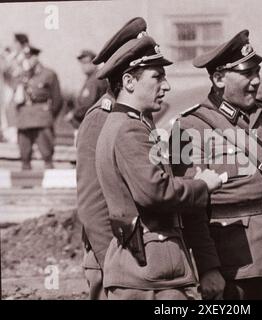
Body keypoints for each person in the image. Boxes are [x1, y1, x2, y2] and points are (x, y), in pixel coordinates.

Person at [171, 30, 262, 300]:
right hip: (237, 265)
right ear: (218, 78)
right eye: (247, 73)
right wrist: (207, 267)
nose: (256, 81)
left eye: (258, 72)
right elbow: (191, 209)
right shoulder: (187, 126)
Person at [94, 32, 224, 300]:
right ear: (128, 81)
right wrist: (202, 185)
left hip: (146, 272)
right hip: (148, 276)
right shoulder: (129, 129)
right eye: (157, 77)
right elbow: (155, 192)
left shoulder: (128, 124)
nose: (165, 86)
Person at [76, 17, 148, 300]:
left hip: (136, 253)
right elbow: (91, 200)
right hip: (111, 255)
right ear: (124, 75)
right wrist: (112, 262)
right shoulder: (100, 118)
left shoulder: (137, 116)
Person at [13, 46, 62, 170]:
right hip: (24, 119)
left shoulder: (48, 74)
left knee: (47, 153)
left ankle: (51, 181)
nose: (27, 60)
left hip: (42, 118)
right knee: (24, 154)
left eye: (30, 57)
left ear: (36, 57)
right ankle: (26, 184)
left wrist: (49, 115)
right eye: (25, 57)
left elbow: (57, 99)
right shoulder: (20, 75)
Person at [64, 50, 108, 129]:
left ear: (95, 63)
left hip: (92, 123)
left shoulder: (95, 80)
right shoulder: (92, 78)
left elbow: (87, 104)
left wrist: (73, 114)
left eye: (86, 62)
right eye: (81, 63)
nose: (83, 66)